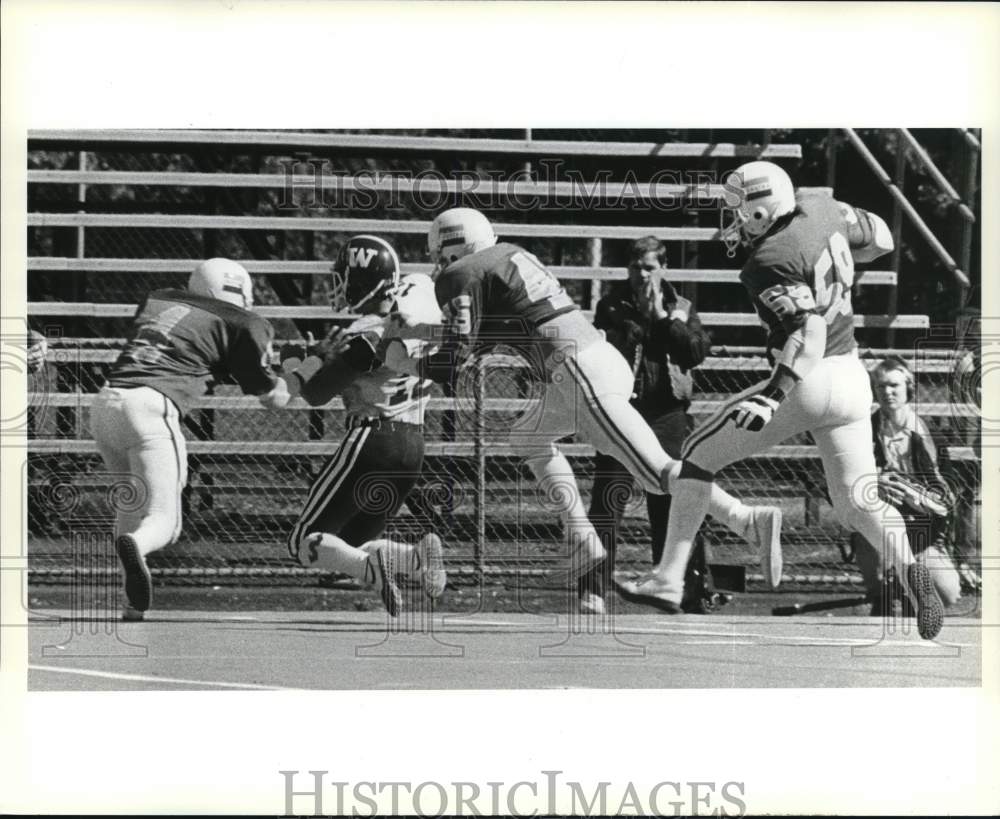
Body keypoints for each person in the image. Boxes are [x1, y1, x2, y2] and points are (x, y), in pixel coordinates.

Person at [618, 161, 946, 640]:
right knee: (857, 500)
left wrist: (775, 395)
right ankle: (912, 570)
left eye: (735, 211)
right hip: (853, 378)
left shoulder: (768, 259)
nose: (730, 221)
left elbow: (808, 331)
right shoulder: (821, 206)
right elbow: (881, 240)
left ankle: (668, 578)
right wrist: (835, 267)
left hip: (807, 380)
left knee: (694, 459)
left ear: (759, 209)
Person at [388, 207, 782, 604]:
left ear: (452, 244)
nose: (439, 262)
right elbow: (488, 334)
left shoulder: (463, 272)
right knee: (527, 436)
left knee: (656, 473)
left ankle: (747, 519)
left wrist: (404, 360)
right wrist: (422, 330)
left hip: (577, 372)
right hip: (585, 364)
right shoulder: (507, 255)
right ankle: (582, 537)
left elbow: (453, 362)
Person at [90, 258, 295, 620]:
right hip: (151, 408)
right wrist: (301, 371)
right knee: (165, 523)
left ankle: (131, 603)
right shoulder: (245, 322)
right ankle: (136, 543)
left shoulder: (159, 299)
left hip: (106, 402)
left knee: (129, 501)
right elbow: (273, 397)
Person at [580, 236, 763, 615]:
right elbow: (599, 351)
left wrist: (662, 319)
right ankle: (594, 589)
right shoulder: (611, 305)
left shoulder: (681, 306)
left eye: (649, 267)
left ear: (662, 268)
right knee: (608, 499)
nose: (642, 275)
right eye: (635, 267)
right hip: (622, 410)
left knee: (675, 501)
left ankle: (685, 588)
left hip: (666, 414)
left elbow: (694, 352)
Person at [280, 235, 447, 618]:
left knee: (301, 542)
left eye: (345, 277)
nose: (338, 285)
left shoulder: (366, 329)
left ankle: (373, 572)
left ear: (361, 279)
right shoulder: (416, 308)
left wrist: (297, 362)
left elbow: (317, 393)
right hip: (413, 446)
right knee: (345, 545)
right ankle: (414, 560)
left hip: (373, 439)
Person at [852, 356, 961, 614]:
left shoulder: (927, 432)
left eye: (894, 385)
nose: (887, 392)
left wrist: (920, 498)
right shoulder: (863, 431)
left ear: (909, 387)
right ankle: (883, 595)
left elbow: (947, 495)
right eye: (880, 386)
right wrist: (873, 482)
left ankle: (907, 589)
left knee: (947, 593)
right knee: (882, 592)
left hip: (921, 530)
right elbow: (843, 483)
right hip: (878, 525)